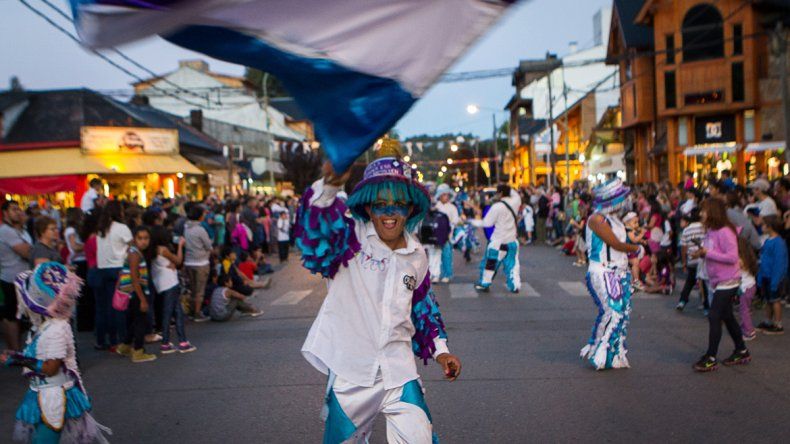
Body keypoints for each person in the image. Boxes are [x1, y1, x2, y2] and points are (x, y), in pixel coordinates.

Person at [295, 140, 461, 443]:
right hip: (351, 374)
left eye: (397, 203)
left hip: (399, 371)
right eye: (380, 204)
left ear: (411, 207)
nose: (389, 212)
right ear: (367, 207)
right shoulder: (349, 239)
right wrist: (331, 183)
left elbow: (422, 306)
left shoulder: (417, 255)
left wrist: (441, 351)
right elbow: (316, 223)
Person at [1, 262, 110, 443]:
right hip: (41, 392)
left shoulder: (56, 329)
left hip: (54, 397)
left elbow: (51, 368)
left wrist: (18, 360)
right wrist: (16, 357)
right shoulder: (43, 326)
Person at [580, 179, 642, 370]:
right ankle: (599, 351)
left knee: (621, 314)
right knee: (612, 311)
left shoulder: (615, 219)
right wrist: (636, 248)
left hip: (619, 271)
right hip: (602, 271)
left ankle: (613, 355)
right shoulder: (596, 219)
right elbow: (615, 244)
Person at [692, 198, 751, 372]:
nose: (700, 213)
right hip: (716, 280)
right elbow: (713, 253)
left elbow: (732, 257)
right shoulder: (711, 231)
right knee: (727, 316)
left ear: (712, 212)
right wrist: (702, 254)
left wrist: (708, 252)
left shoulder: (725, 231)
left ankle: (711, 356)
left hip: (729, 280)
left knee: (714, 315)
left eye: (703, 210)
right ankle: (741, 350)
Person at [115, 226, 157, 363]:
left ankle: (125, 346)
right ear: (134, 239)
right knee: (140, 321)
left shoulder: (135, 252)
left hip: (133, 292)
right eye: (140, 238)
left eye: (146, 238)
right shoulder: (135, 254)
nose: (144, 241)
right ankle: (138, 350)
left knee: (135, 320)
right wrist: (142, 299)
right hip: (136, 292)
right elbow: (134, 278)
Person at [151, 229, 196, 354]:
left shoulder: (152, 250)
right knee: (172, 312)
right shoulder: (163, 250)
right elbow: (178, 261)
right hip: (170, 282)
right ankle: (172, 343)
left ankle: (180, 341)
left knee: (175, 311)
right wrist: (180, 246)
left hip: (160, 283)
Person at [95, 201, 132, 351]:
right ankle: (121, 339)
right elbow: (132, 245)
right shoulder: (121, 228)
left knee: (105, 307)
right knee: (120, 306)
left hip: (102, 268)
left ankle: (107, 339)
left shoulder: (101, 229)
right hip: (118, 268)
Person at [473, 184, 522, 293]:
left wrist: (472, 222)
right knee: (512, 266)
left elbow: (487, 223)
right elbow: (515, 193)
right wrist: (507, 188)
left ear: (500, 193)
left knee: (489, 265)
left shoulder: (497, 207)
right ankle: (515, 286)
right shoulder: (516, 201)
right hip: (512, 241)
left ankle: (484, 284)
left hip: (497, 243)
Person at [1, 200, 32, 351]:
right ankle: (15, 351)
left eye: (19, 209)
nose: (18, 212)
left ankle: (17, 350)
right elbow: (26, 252)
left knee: (20, 316)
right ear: (5, 213)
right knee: (12, 316)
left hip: (23, 277)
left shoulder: (20, 230)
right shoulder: (6, 231)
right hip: (12, 279)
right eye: (14, 209)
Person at [755, 215, 788, 335]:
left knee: (775, 300)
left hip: (773, 277)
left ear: (770, 227)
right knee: (768, 300)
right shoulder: (768, 241)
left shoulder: (778, 242)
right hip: (765, 275)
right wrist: (760, 276)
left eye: (764, 224)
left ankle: (778, 324)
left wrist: (776, 279)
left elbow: (779, 263)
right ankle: (768, 321)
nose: (761, 226)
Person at [184, 205, 213, 322]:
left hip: (189, 261)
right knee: (200, 290)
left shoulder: (186, 227)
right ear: (200, 216)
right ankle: (197, 313)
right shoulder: (200, 230)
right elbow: (208, 246)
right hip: (201, 262)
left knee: (192, 289)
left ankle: (192, 312)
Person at [676, 210, 706, 311]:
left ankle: (682, 301)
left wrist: (684, 262)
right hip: (703, 259)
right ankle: (706, 306)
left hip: (691, 260)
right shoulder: (704, 228)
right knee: (704, 283)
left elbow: (683, 248)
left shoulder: (686, 230)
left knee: (690, 281)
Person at [433, 184, 460, 283]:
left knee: (447, 255)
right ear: (439, 195)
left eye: (447, 194)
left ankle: (447, 274)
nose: (446, 196)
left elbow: (455, 220)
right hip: (435, 236)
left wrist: (449, 228)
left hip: (447, 236)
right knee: (435, 256)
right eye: (443, 194)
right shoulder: (435, 207)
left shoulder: (452, 207)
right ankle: (435, 274)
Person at [737, 237, 759, 341]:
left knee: (744, 310)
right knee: (746, 309)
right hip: (751, 285)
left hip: (746, 287)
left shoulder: (740, 260)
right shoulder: (749, 257)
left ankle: (749, 331)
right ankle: (746, 327)